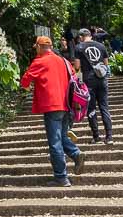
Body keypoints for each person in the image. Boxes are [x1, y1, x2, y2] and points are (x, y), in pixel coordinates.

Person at [20, 35, 85, 187]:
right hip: (66, 105)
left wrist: (29, 86)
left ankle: (61, 177)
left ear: (40, 47)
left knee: (54, 142)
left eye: (36, 47)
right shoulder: (63, 60)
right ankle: (76, 154)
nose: (35, 50)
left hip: (51, 105)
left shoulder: (39, 61)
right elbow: (75, 76)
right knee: (61, 136)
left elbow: (25, 81)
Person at [72, 28, 113, 144]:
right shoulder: (101, 46)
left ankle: (96, 136)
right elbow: (106, 64)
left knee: (91, 108)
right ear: (90, 35)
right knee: (104, 107)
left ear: (80, 37)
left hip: (89, 81)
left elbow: (77, 67)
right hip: (102, 80)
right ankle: (109, 136)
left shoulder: (79, 47)